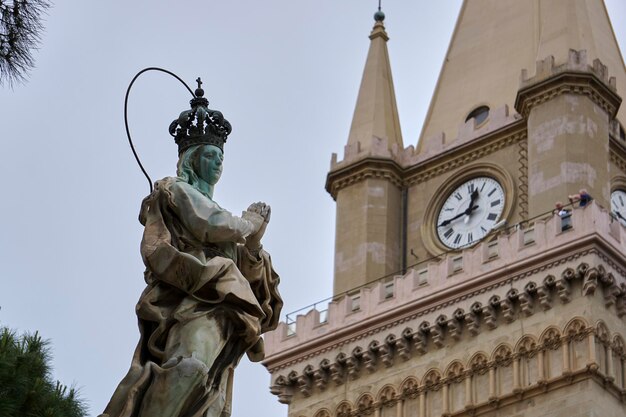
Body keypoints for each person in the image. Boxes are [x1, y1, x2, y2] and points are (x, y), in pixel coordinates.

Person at [99, 142, 282, 417]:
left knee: (207, 388)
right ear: (192, 160)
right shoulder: (175, 189)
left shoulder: (226, 227)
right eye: (210, 155)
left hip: (223, 309)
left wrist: (254, 244)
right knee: (188, 368)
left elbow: (249, 275)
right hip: (189, 299)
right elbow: (208, 224)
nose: (218, 162)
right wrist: (248, 225)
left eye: (221, 157)